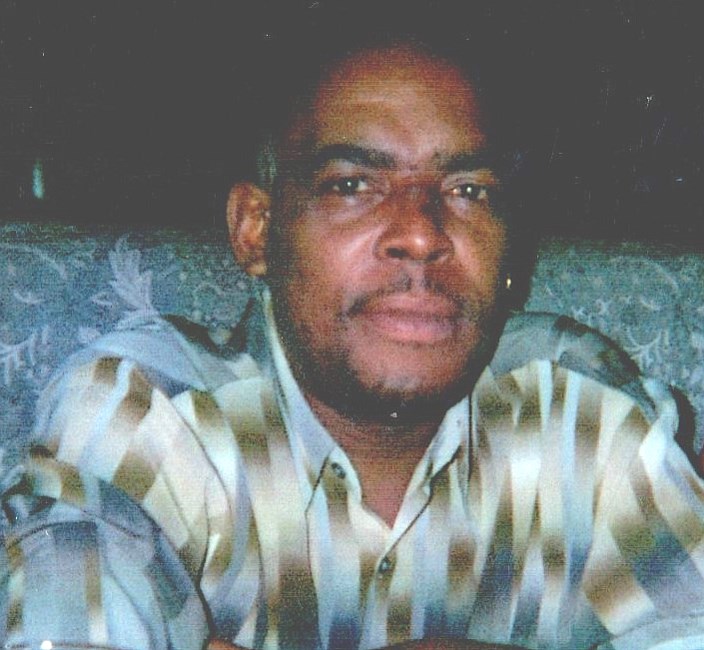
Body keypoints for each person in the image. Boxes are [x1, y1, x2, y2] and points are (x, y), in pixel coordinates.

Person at [2, 33, 704, 650]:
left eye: (468, 190)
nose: (422, 234)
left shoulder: (583, 413)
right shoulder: (151, 416)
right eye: (352, 184)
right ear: (256, 230)